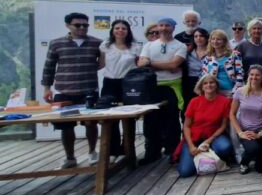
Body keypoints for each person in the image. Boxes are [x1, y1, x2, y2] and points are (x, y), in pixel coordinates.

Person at [41, 12, 101, 168]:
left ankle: (92, 153)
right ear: (68, 25)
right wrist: (47, 88)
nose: (82, 28)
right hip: (64, 92)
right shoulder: (56, 43)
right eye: (77, 25)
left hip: (89, 91)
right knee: (66, 126)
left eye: (85, 25)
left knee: (91, 124)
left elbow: (103, 62)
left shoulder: (97, 43)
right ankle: (70, 158)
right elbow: (49, 67)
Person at [137, 17, 188, 164]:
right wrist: (164, 65)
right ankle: (152, 153)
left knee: (171, 120)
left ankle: (173, 152)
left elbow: (174, 65)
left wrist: (150, 63)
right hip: (152, 86)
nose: (164, 28)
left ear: (173, 28)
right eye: (161, 25)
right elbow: (141, 63)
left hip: (172, 86)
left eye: (167, 25)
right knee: (150, 121)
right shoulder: (149, 45)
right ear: (158, 27)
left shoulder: (180, 46)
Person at [177, 74, 235, 177]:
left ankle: (211, 158)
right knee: (185, 172)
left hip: (214, 136)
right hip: (194, 138)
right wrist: (191, 146)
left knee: (225, 147)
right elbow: (186, 126)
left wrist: (208, 141)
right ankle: (203, 158)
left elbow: (223, 125)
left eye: (211, 82)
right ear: (201, 87)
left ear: (216, 85)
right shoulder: (194, 102)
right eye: (205, 83)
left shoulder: (225, 101)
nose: (209, 85)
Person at [99, 19, 140, 155]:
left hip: (128, 84)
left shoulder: (135, 46)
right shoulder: (106, 45)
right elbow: (101, 64)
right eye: (117, 28)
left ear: (128, 31)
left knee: (129, 117)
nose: (120, 31)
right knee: (110, 117)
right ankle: (113, 150)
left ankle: (129, 149)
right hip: (109, 83)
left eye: (123, 28)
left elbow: (138, 65)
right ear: (112, 30)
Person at [230, 64, 262, 174]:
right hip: (246, 131)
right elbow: (232, 114)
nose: (254, 77)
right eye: (251, 74)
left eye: (257, 75)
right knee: (253, 149)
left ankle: (259, 153)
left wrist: (260, 134)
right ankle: (244, 163)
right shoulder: (240, 91)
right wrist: (240, 133)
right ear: (248, 75)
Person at [201, 29, 244, 97]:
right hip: (213, 92)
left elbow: (240, 73)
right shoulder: (208, 57)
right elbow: (204, 75)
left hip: (230, 91)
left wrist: (236, 91)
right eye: (213, 39)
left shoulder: (234, 55)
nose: (215, 41)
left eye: (218, 39)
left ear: (224, 41)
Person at [183, 27, 210, 109]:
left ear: (206, 38)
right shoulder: (188, 53)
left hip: (207, 82)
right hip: (190, 83)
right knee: (189, 107)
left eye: (201, 36)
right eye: (196, 36)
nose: (198, 38)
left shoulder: (212, 53)